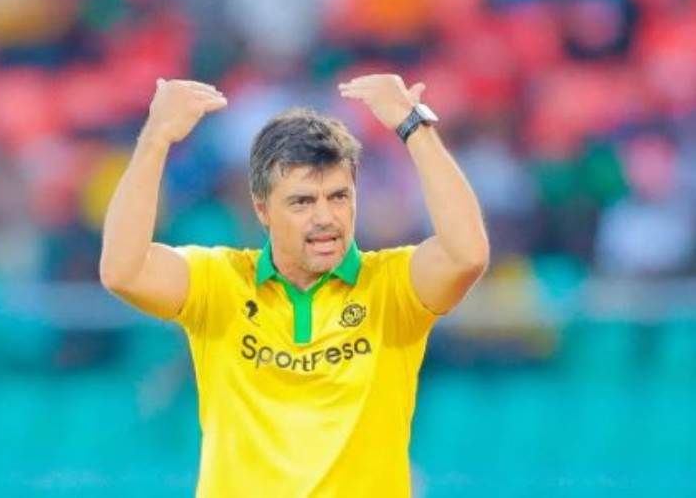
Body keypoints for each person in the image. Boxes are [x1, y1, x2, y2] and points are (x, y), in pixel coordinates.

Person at [100, 75, 489, 497]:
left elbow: (466, 256)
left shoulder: (391, 287)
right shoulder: (220, 281)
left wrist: (413, 126)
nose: (325, 218)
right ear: (262, 209)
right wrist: (156, 138)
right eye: (302, 202)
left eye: (339, 197)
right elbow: (124, 270)